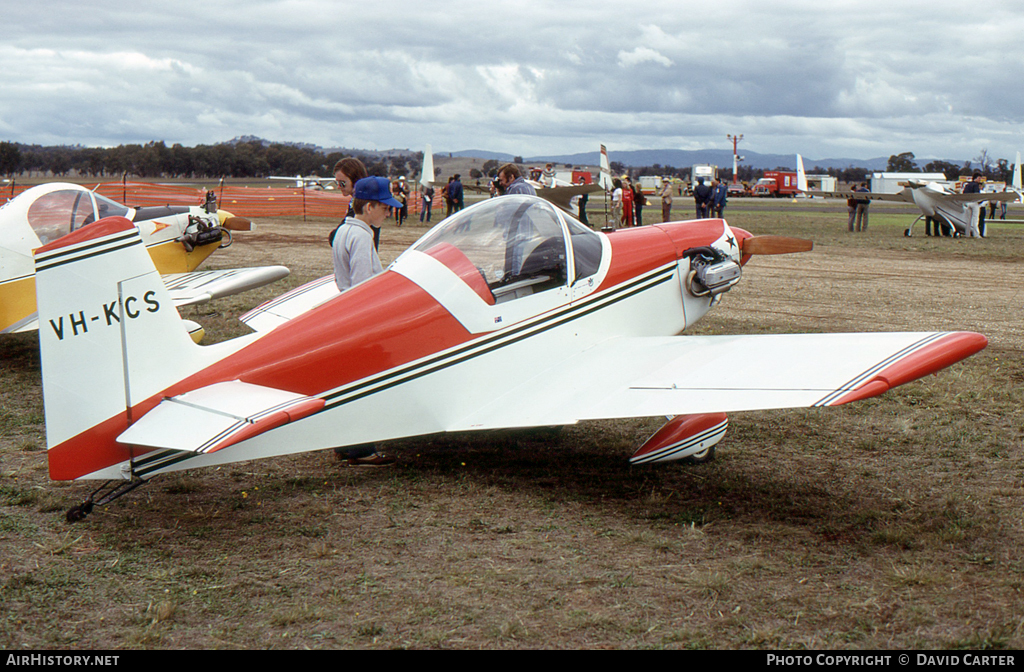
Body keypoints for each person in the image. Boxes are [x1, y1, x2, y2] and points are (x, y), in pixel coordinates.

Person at [331, 176, 404, 467]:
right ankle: (361, 448)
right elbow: (363, 287)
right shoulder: (362, 237)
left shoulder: (343, 232)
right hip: (360, 319)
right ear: (370, 206)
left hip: (344, 313)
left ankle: (346, 443)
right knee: (367, 384)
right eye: (385, 207)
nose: (388, 212)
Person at [329, 157, 369, 247]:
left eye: (342, 183)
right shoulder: (357, 201)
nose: (339, 187)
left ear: (356, 180)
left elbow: (336, 237)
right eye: (337, 183)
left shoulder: (362, 206)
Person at [962, 172, 984, 237]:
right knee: (975, 219)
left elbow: (964, 193)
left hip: (967, 203)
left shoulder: (967, 185)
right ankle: (976, 234)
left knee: (967, 220)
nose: (980, 180)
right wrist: (980, 202)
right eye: (979, 178)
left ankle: (967, 234)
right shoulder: (976, 185)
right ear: (976, 178)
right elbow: (976, 195)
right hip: (974, 203)